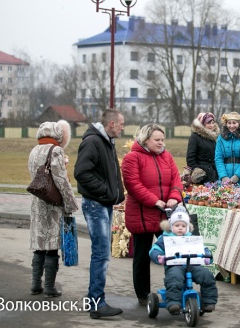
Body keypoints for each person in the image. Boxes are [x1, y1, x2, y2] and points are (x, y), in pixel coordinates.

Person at [121, 123, 183, 307]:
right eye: (157, 140)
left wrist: (174, 197)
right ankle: (143, 295)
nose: (161, 143)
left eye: (162, 140)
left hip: (165, 215)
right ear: (145, 139)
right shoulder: (132, 158)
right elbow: (133, 184)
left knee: (173, 254)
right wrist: (154, 200)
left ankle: (174, 290)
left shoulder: (166, 156)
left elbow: (176, 179)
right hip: (142, 215)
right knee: (141, 256)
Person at [74, 109, 125, 319]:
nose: (123, 127)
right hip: (96, 205)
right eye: (121, 124)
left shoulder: (106, 142)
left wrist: (116, 194)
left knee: (101, 254)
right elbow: (81, 173)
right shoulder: (93, 142)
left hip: (103, 204)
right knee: (101, 254)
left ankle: (93, 300)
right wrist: (106, 191)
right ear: (112, 123)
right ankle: (97, 303)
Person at [28, 120, 78, 297]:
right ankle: (49, 287)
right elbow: (61, 180)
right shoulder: (55, 150)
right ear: (57, 133)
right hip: (53, 203)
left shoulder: (34, 150)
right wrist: (70, 203)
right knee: (51, 246)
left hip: (37, 202)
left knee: (39, 245)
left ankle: (35, 284)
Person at [149, 206, 218, 315]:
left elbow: (203, 249)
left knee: (207, 275)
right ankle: (173, 303)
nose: (180, 228)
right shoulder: (165, 238)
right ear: (171, 226)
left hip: (192, 264)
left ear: (187, 227)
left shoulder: (192, 238)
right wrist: (159, 256)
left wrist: (206, 256)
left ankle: (208, 301)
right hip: (174, 265)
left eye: (183, 226)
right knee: (174, 278)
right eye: (177, 225)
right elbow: (154, 249)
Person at [215, 111, 240, 185]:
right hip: (225, 177)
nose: (231, 126)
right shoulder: (220, 138)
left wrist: (237, 176)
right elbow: (218, 158)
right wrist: (223, 176)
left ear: (239, 123)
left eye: (234, 123)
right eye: (229, 123)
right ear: (226, 124)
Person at [186, 112, 220, 184]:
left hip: (214, 174)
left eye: (212, 122)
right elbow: (190, 157)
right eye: (208, 123)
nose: (211, 125)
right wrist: (197, 170)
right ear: (202, 124)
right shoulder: (195, 137)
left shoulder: (215, 137)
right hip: (201, 176)